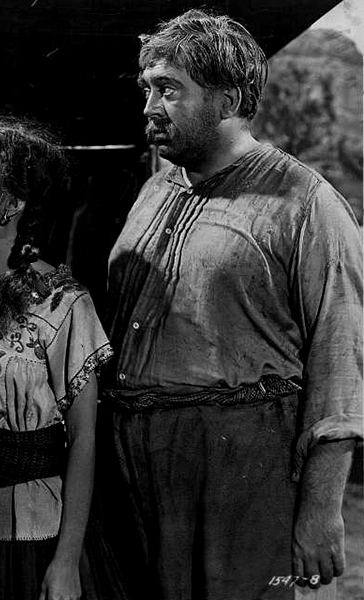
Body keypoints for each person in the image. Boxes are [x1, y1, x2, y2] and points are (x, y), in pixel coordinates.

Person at [100, 9, 362, 600]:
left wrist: (321, 510)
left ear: (229, 99)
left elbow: (340, 366)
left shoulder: (307, 205)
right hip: (135, 467)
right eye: (147, 89)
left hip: (239, 472)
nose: (149, 107)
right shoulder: (155, 189)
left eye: (169, 90)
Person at [0, 115, 125, 600]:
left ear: (12, 203)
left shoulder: (63, 304)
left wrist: (67, 561)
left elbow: (84, 439)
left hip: (32, 526)